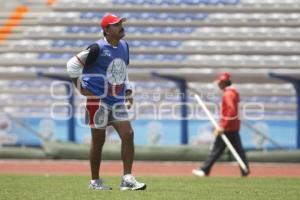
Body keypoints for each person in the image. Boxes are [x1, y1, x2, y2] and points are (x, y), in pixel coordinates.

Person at [66, 13, 146, 190]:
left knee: (128, 134)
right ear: (107, 30)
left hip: (116, 99)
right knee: (98, 141)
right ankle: (95, 182)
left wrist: (128, 90)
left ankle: (127, 179)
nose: (121, 26)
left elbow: (123, 70)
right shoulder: (97, 48)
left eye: (121, 23)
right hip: (97, 100)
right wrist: (80, 88)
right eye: (116, 24)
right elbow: (72, 65)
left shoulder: (125, 45)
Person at [192, 72, 250, 177]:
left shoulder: (228, 94)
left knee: (217, 149)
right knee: (237, 150)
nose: (218, 85)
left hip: (227, 128)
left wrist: (223, 126)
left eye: (219, 83)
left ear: (224, 83)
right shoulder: (233, 93)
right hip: (233, 127)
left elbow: (231, 111)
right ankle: (245, 170)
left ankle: (205, 170)